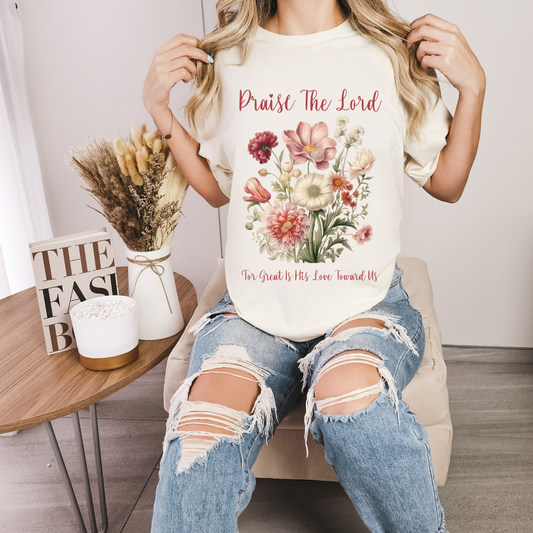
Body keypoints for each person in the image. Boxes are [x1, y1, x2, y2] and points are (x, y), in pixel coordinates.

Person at [143, 0, 485, 531]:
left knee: (356, 411)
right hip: (252, 313)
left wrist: (474, 89)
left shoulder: (392, 56)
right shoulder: (230, 60)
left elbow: (448, 183)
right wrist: (161, 110)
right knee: (200, 434)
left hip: (364, 307)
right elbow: (218, 191)